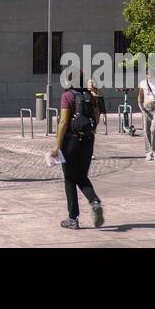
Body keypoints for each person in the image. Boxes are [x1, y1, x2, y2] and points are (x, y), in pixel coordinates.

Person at [51, 71, 104, 229]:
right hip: (88, 140)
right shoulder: (90, 96)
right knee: (81, 176)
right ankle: (94, 201)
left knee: (69, 179)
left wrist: (57, 146)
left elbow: (64, 122)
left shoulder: (67, 96)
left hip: (71, 141)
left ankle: (73, 218)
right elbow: (96, 119)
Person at [136, 69, 155, 160]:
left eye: (152, 75)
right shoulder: (142, 83)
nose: (150, 77)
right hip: (146, 108)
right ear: (146, 75)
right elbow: (140, 97)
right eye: (149, 75)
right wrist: (141, 108)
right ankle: (149, 152)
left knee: (154, 129)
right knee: (146, 131)